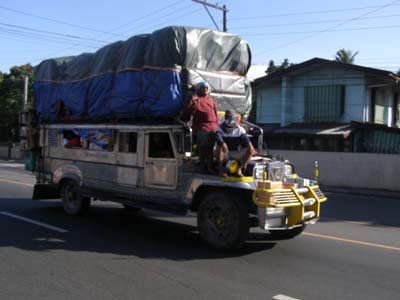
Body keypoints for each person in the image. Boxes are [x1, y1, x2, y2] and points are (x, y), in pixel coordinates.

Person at [185, 81, 219, 173]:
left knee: (211, 149)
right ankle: (202, 167)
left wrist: (217, 127)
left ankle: (210, 167)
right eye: (203, 88)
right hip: (202, 127)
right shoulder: (196, 99)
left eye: (206, 88)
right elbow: (189, 111)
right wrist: (193, 102)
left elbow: (215, 113)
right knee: (203, 148)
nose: (205, 90)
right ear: (199, 89)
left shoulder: (211, 100)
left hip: (213, 127)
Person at [216, 110, 257, 177]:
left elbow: (246, 140)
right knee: (219, 147)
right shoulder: (220, 128)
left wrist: (251, 146)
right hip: (226, 153)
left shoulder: (240, 129)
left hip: (236, 152)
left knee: (249, 149)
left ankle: (239, 169)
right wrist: (223, 143)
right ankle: (221, 171)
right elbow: (218, 137)